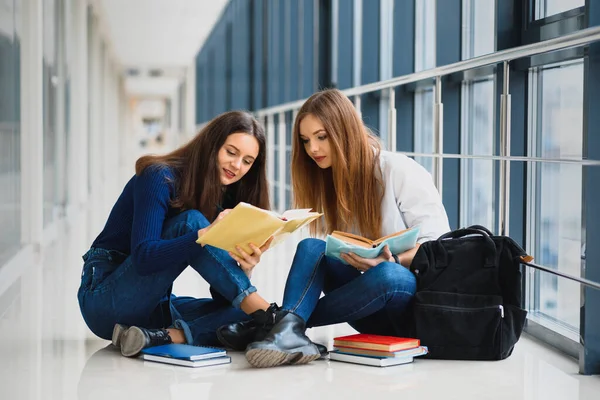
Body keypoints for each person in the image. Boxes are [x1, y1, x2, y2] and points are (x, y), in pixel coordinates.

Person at [219, 89, 450, 368]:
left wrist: (392, 260)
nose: (312, 149)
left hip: (408, 304)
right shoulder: (334, 184)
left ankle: (275, 325)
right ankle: (287, 328)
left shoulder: (399, 170)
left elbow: (439, 245)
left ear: (344, 130)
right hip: (367, 306)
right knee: (313, 247)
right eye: (305, 141)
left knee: (388, 273)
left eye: (321, 137)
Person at [77, 111, 320, 359]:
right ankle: (272, 316)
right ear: (211, 146)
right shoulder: (159, 176)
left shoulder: (216, 199)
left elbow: (222, 296)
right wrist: (205, 233)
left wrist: (244, 268)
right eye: (231, 152)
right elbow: (143, 257)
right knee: (190, 223)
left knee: (240, 316)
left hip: (152, 311)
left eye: (247, 161)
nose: (237, 166)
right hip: (105, 301)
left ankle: (157, 336)